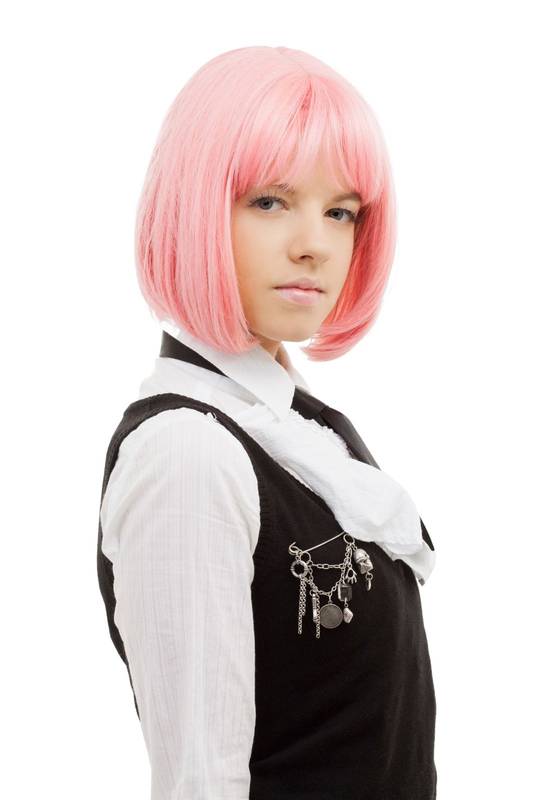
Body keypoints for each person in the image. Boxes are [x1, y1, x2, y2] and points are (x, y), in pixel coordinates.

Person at [97, 45, 438, 800]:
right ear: (194, 209)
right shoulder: (189, 452)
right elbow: (201, 781)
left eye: (340, 211)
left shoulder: (306, 431)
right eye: (269, 201)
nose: (314, 244)